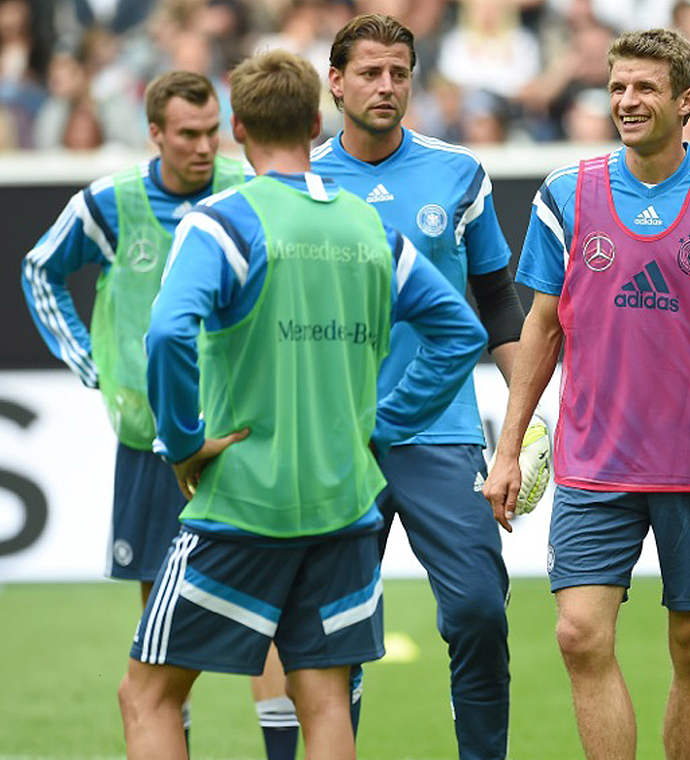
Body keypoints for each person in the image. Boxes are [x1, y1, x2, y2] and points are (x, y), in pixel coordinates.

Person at [115, 48, 487, 760]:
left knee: (149, 694)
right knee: (323, 702)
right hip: (345, 505)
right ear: (316, 120)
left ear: (238, 130)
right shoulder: (368, 228)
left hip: (243, 505)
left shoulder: (223, 222)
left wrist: (183, 440)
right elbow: (460, 331)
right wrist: (386, 424)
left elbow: (166, 332)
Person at [483, 28, 690, 760]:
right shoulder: (566, 196)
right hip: (591, 461)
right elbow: (540, 330)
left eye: (644, 88)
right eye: (616, 88)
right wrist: (507, 448)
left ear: (686, 100)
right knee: (579, 635)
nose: (627, 101)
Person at [309, 13, 525, 760]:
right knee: (333, 630)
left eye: (399, 73)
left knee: (478, 612)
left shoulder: (457, 172)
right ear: (335, 82)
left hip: (442, 431)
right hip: (337, 442)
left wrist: (530, 416)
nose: (386, 86)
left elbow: (496, 300)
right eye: (369, 72)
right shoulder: (301, 181)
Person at [19, 69, 248, 745]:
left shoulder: (247, 190)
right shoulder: (112, 202)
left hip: (239, 434)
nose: (205, 146)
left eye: (213, 131)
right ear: (154, 134)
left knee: (273, 622)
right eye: (188, 134)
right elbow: (41, 269)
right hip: (152, 442)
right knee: (159, 626)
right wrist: (92, 365)